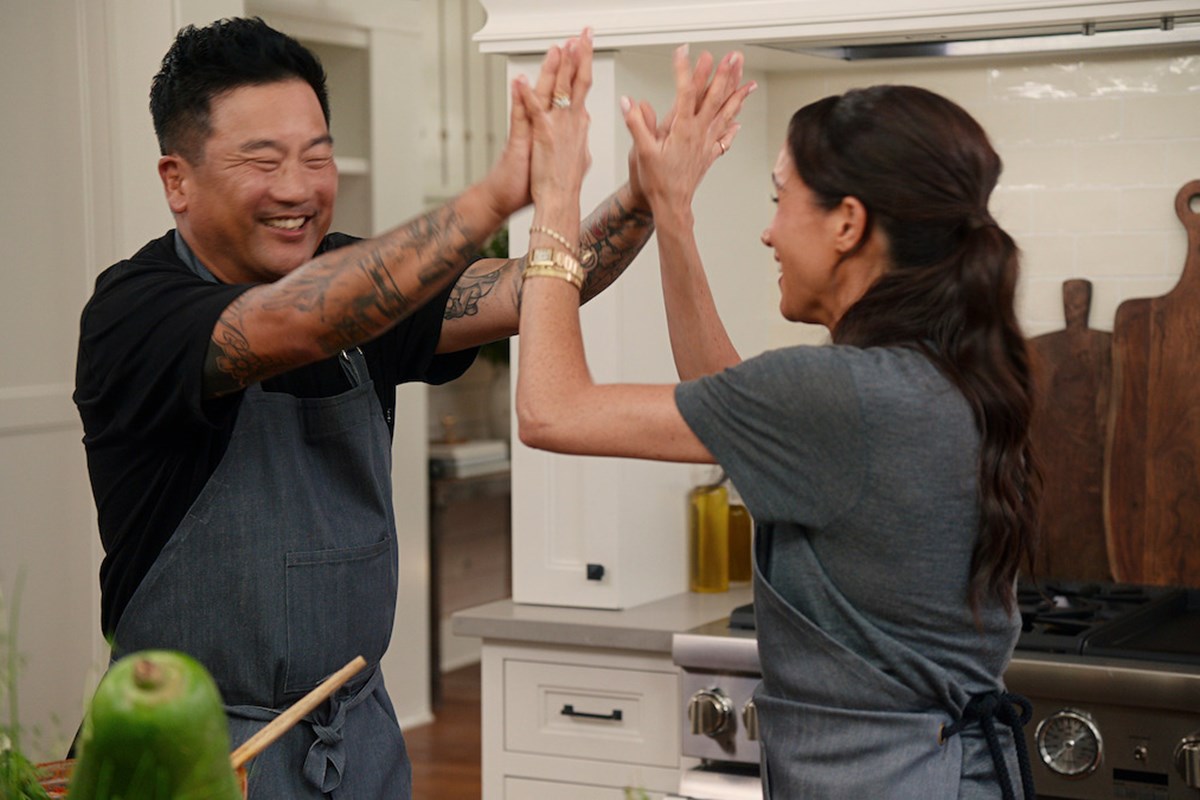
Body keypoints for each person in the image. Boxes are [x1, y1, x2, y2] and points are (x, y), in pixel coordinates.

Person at [72, 18, 656, 799]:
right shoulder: (136, 310)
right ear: (177, 179)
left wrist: (646, 196)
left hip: (357, 741)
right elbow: (301, 319)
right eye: (263, 159)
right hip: (194, 754)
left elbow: (528, 287)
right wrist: (494, 194)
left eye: (318, 156)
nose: (297, 187)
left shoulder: (354, 281)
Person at [514, 36, 1040, 800]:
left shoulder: (842, 395)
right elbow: (730, 402)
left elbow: (550, 411)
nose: (768, 231)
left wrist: (556, 196)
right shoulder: (940, 371)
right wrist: (671, 210)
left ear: (846, 223)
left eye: (779, 200)